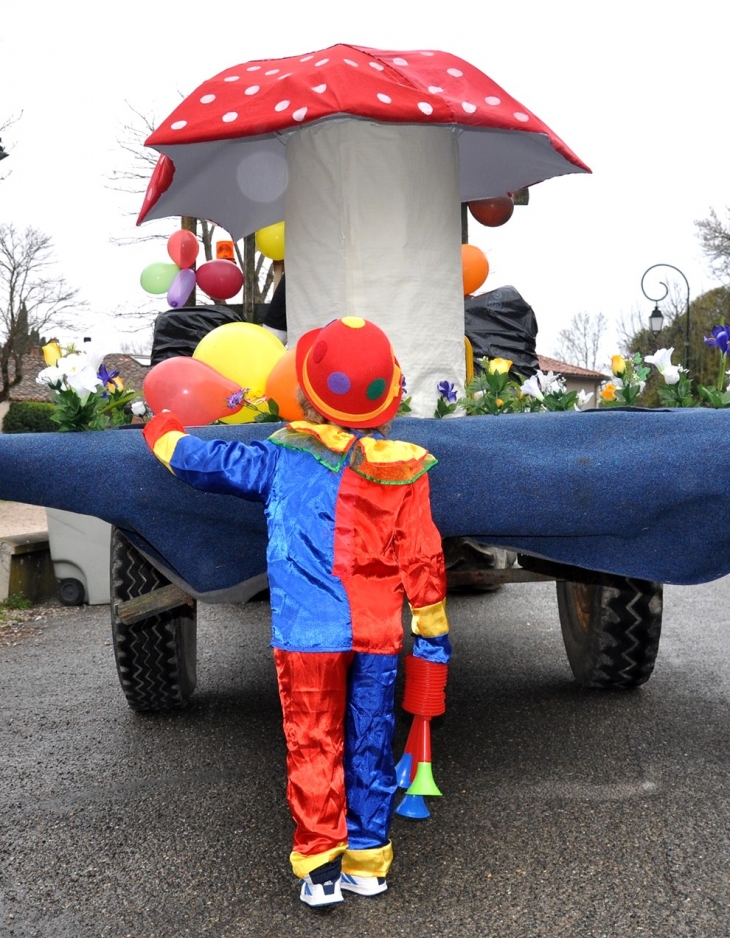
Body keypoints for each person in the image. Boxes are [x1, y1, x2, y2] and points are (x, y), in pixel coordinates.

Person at [142, 316, 451, 907]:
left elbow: (205, 462)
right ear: (390, 395)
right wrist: (432, 633)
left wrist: (162, 430)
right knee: (372, 738)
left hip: (307, 635)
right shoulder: (408, 467)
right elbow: (423, 554)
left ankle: (320, 867)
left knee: (314, 742)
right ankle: (368, 861)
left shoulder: (283, 456)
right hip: (379, 633)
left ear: (306, 391)